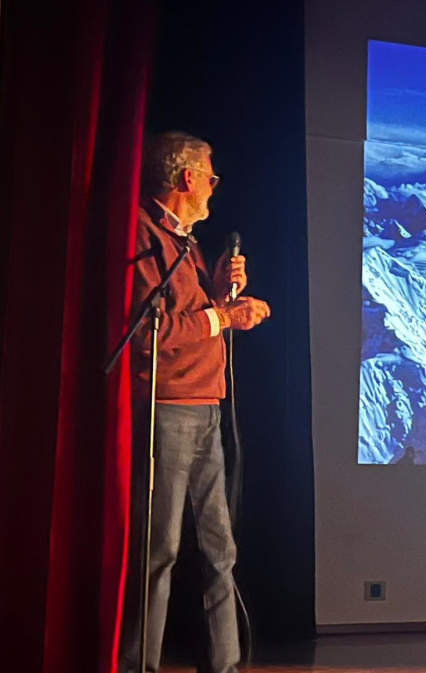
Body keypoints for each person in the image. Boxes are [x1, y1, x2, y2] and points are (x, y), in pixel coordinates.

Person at [120, 131, 270, 673]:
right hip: (169, 409)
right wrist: (224, 317)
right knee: (158, 552)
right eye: (210, 176)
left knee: (219, 552)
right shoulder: (143, 234)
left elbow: (192, 317)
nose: (213, 187)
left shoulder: (186, 243)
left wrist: (224, 295)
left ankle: (225, 667)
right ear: (187, 178)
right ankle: (139, 665)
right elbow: (149, 332)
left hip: (205, 405)